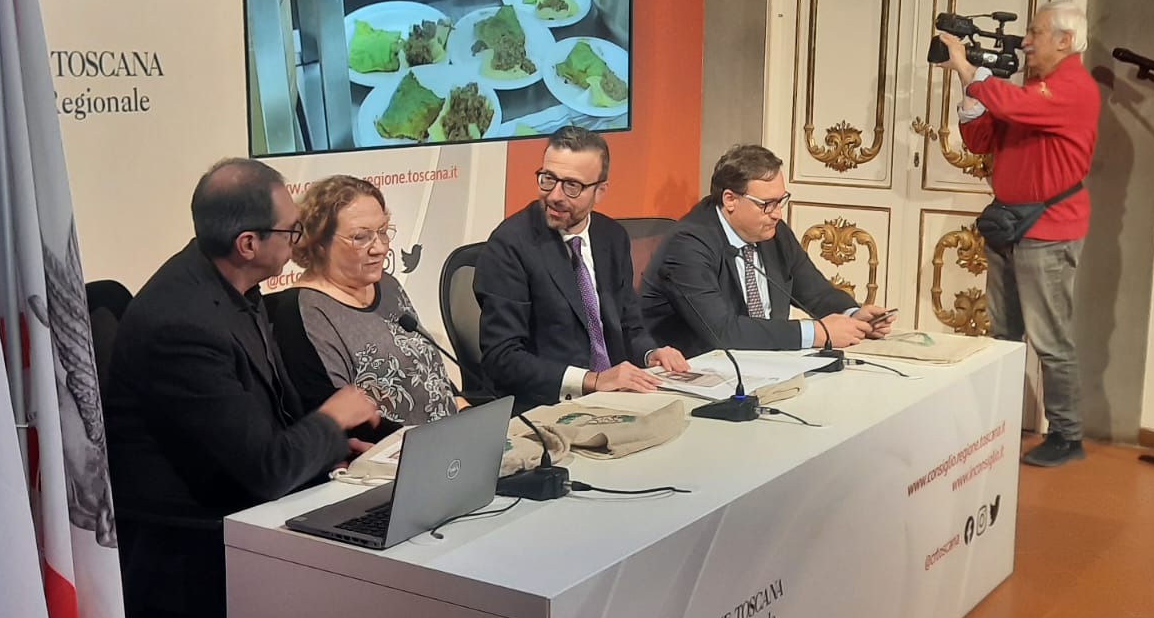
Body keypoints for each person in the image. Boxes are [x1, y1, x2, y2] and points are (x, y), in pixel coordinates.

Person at [105, 158, 380, 618]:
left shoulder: (231, 285)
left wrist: (330, 450)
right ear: (248, 244)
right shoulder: (182, 325)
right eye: (291, 231)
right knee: (375, 586)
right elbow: (266, 469)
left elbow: (265, 422)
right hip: (189, 549)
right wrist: (333, 418)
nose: (298, 241)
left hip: (241, 501)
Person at [937, 0, 1100, 467]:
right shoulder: (1032, 90)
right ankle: (999, 424)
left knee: (1049, 338)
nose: (1025, 41)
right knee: (1003, 335)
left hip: (1050, 229)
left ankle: (1066, 434)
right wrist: (970, 93)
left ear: (1065, 40)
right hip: (1011, 223)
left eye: (1035, 33)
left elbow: (1013, 104)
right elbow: (981, 140)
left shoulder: (1073, 87)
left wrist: (970, 70)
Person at [475, 126, 690, 408]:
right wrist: (592, 380)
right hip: (547, 405)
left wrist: (651, 354)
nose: (555, 195)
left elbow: (629, 325)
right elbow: (502, 357)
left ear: (600, 191)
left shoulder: (611, 237)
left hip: (616, 399)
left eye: (572, 186)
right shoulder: (510, 245)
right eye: (548, 179)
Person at [639, 144, 895, 357]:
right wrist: (816, 333)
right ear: (730, 200)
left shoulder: (772, 232)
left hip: (764, 363)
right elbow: (722, 331)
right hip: (693, 370)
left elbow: (816, 293)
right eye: (767, 204)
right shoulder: (687, 244)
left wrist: (853, 315)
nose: (777, 214)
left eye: (780, 201)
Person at [268, 175, 457, 435]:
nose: (380, 248)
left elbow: (425, 368)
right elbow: (339, 419)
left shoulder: (387, 286)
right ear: (319, 242)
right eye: (360, 237)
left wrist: (462, 406)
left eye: (382, 232)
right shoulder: (302, 312)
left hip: (450, 437)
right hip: (392, 452)